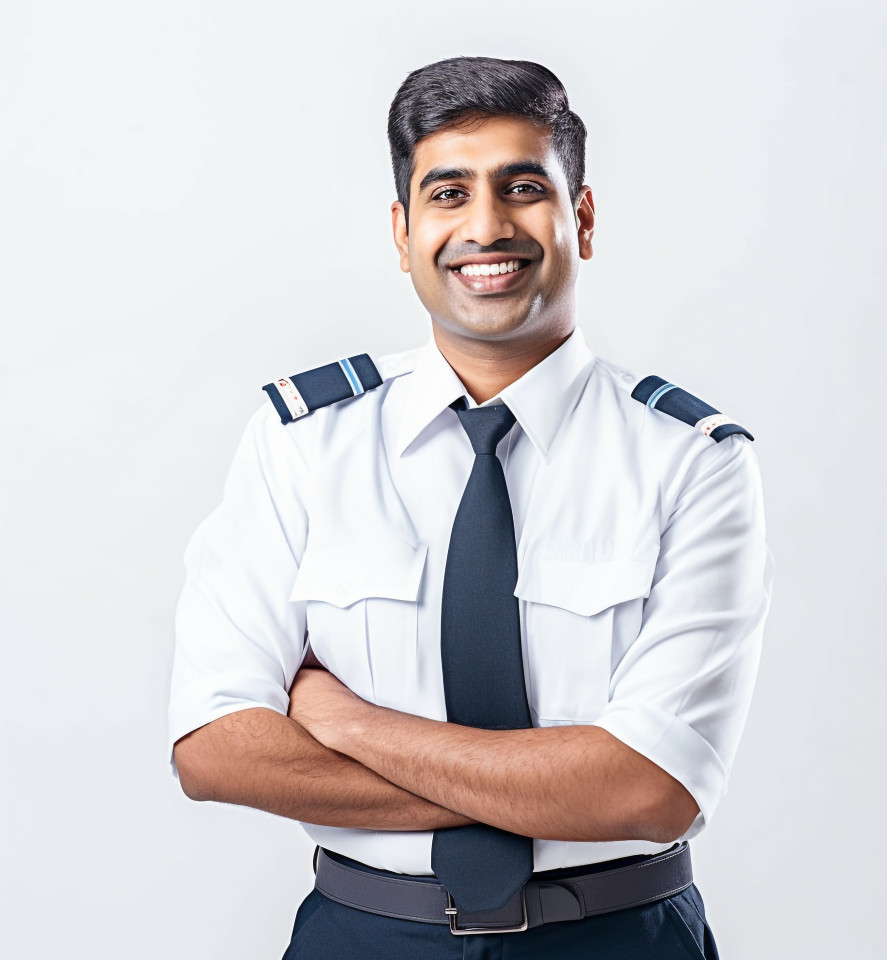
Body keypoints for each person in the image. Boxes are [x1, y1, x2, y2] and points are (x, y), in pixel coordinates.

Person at [169, 56, 773, 959]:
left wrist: (350, 724)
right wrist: (553, 782)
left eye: (523, 187)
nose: (486, 227)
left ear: (584, 217)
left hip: (619, 938)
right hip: (364, 937)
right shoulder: (302, 442)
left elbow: (649, 791)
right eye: (447, 194)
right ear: (403, 229)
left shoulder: (691, 462)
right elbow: (215, 748)